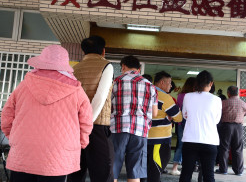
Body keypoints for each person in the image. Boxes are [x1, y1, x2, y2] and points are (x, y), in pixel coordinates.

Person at [1, 45, 93, 182]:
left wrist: (13, 136)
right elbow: (86, 122)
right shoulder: (76, 90)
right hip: (59, 154)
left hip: (23, 150)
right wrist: (79, 144)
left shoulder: (24, 85)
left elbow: (6, 115)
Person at [68, 36, 114, 182]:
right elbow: (100, 97)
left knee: (76, 171)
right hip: (97, 126)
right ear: (103, 51)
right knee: (102, 173)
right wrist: (87, 123)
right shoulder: (107, 65)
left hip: (75, 125)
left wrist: (81, 124)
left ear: (83, 51)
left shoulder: (74, 68)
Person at [110, 55, 158, 182]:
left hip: (118, 128)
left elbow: (107, 107)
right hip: (140, 130)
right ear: (139, 68)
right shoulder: (150, 86)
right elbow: (154, 112)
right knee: (135, 172)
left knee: (113, 169)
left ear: (123, 66)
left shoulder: (116, 81)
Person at [179, 70, 222, 182]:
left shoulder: (187, 96)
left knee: (185, 174)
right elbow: (216, 120)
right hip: (209, 141)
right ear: (211, 83)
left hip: (190, 140)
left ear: (197, 83)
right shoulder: (217, 100)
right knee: (208, 176)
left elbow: (185, 115)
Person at [147, 71, 182, 182]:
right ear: (162, 82)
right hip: (158, 139)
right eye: (169, 83)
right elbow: (179, 117)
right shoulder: (165, 97)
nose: (171, 86)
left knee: (144, 170)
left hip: (142, 137)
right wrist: (168, 117)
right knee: (155, 170)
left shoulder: (145, 92)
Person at [216, 86, 246, 176]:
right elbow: (245, 113)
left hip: (226, 127)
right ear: (238, 93)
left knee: (224, 148)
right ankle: (238, 171)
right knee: (238, 149)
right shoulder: (243, 103)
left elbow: (219, 114)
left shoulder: (223, 103)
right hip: (238, 127)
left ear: (228, 93)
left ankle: (223, 169)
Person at [170, 77, 196, 176]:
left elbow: (179, 109)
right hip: (191, 123)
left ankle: (174, 167)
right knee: (191, 145)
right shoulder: (193, 96)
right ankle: (188, 166)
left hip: (180, 123)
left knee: (180, 145)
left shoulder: (180, 95)